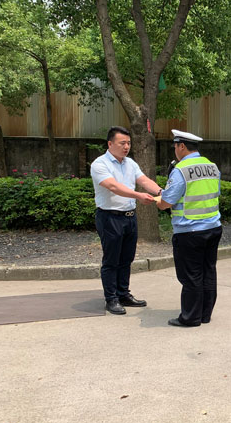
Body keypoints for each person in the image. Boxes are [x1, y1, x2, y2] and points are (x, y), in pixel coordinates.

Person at [90, 126, 161, 315]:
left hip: (129, 217)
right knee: (111, 259)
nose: (127, 147)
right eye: (122, 143)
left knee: (126, 258)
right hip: (110, 217)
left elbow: (144, 180)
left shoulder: (130, 163)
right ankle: (111, 298)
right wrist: (138, 195)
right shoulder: (100, 164)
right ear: (110, 144)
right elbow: (113, 186)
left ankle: (123, 294)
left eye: (129, 143)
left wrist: (161, 192)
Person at [156, 129, 222, 327]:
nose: (175, 150)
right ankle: (204, 314)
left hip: (189, 231)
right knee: (208, 271)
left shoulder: (181, 170)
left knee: (191, 275)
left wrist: (158, 200)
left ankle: (191, 317)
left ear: (182, 146)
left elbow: (166, 202)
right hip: (213, 227)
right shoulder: (212, 166)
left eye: (175, 146)